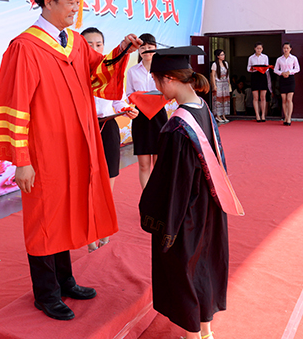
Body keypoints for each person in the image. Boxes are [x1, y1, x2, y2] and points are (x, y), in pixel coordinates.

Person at [0, 0, 143, 321]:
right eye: (71, 1)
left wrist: (122, 50)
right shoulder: (25, 47)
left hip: (75, 147)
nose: (77, 7)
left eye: (78, 0)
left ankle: (65, 280)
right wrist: (22, 160)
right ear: (48, 0)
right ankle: (46, 293)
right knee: (44, 217)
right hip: (43, 151)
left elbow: (99, 77)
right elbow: (15, 104)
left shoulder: (74, 42)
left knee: (65, 213)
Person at [138, 46, 243, 339]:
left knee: (184, 268)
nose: (157, 87)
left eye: (157, 81)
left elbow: (171, 184)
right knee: (204, 265)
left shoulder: (177, 127)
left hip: (187, 211)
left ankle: (192, 336)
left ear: (170, 79)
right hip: (210, 205)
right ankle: (206, 332)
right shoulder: (203, 108)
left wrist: (156, 214)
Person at [81, 27, 139, 252]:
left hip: (108, 129)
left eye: (98, 44)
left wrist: (126, 109)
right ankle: (89, 236)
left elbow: (118, 101)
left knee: (108, 183)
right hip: (84, 131)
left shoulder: (111, 70)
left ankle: (103, 232)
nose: (95, 48)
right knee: (87, 186)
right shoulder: (75, 71)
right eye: (89, 44)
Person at [125, 33, 168, 189]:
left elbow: (169, 92)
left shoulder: (163, 70)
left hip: (159, 117)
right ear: (138, 50)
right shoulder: (132, 71)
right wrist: (141, 98)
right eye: (143, 48)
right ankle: (147, 198)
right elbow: (129, 95)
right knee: (144, 165)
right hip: (140, 118)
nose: (147, 51)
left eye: (150, 47)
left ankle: (158, 197)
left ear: (156, 49)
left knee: (158, 163)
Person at [273, 42, 300, 126]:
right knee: (284, 99)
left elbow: (297, 68)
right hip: (282, 79)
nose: (286, 50)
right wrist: (282, 73)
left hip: (290, 79)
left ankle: (289, 117)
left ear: (290, 49)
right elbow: (275, 70)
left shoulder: (294, 58)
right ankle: (285, 116)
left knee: (289, 99)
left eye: (287, 48)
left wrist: (289, 72)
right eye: (284, 48)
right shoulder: (279, 59)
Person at [247, 42, 272, 122]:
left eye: (260, 48)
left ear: (262, 49)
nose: (259, 50)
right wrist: (253, 69)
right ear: (255, 49)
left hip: (262, 76)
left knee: (263, 97)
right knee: (256, 97)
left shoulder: (265, 57)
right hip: (255, 76)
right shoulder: (251, 58)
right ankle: (257, 115)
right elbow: (248, 68)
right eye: (257, 48)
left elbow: (267, 68)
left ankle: (263, 115)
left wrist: (262, 69)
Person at [210, 49, 231, 123]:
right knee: (218, 99)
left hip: (225, 83)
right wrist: (214, 85)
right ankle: (218, 115)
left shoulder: (226, 63)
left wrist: (229, 83)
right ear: (218, 56)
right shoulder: (214, 64)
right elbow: (213, 75)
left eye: (223, 54)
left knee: (225, 99)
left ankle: (224, 115)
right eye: (221, 55)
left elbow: (227, 74)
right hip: (218, 83)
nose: (223, 56)